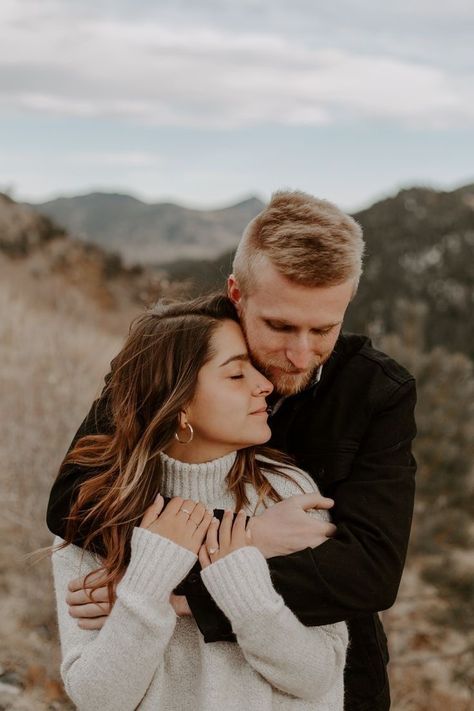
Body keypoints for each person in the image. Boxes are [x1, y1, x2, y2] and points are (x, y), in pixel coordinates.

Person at [47, 191, 417, 711]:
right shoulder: (172, 357)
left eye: (324, 328)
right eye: (280, 326)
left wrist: (170, 592)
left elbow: (368, 572)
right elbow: (72, 503)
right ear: (236, 294)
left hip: (326, 683)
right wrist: (255, 538)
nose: (301, 353)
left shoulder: (377, 391)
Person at [51, 294, 348, 710]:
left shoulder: (287, 494)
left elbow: (317, 675)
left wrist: (239, 582)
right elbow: (100, 698)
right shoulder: (98, 511)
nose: (265, 384)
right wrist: (150, 578)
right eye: (235, 375)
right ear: (181, 404)